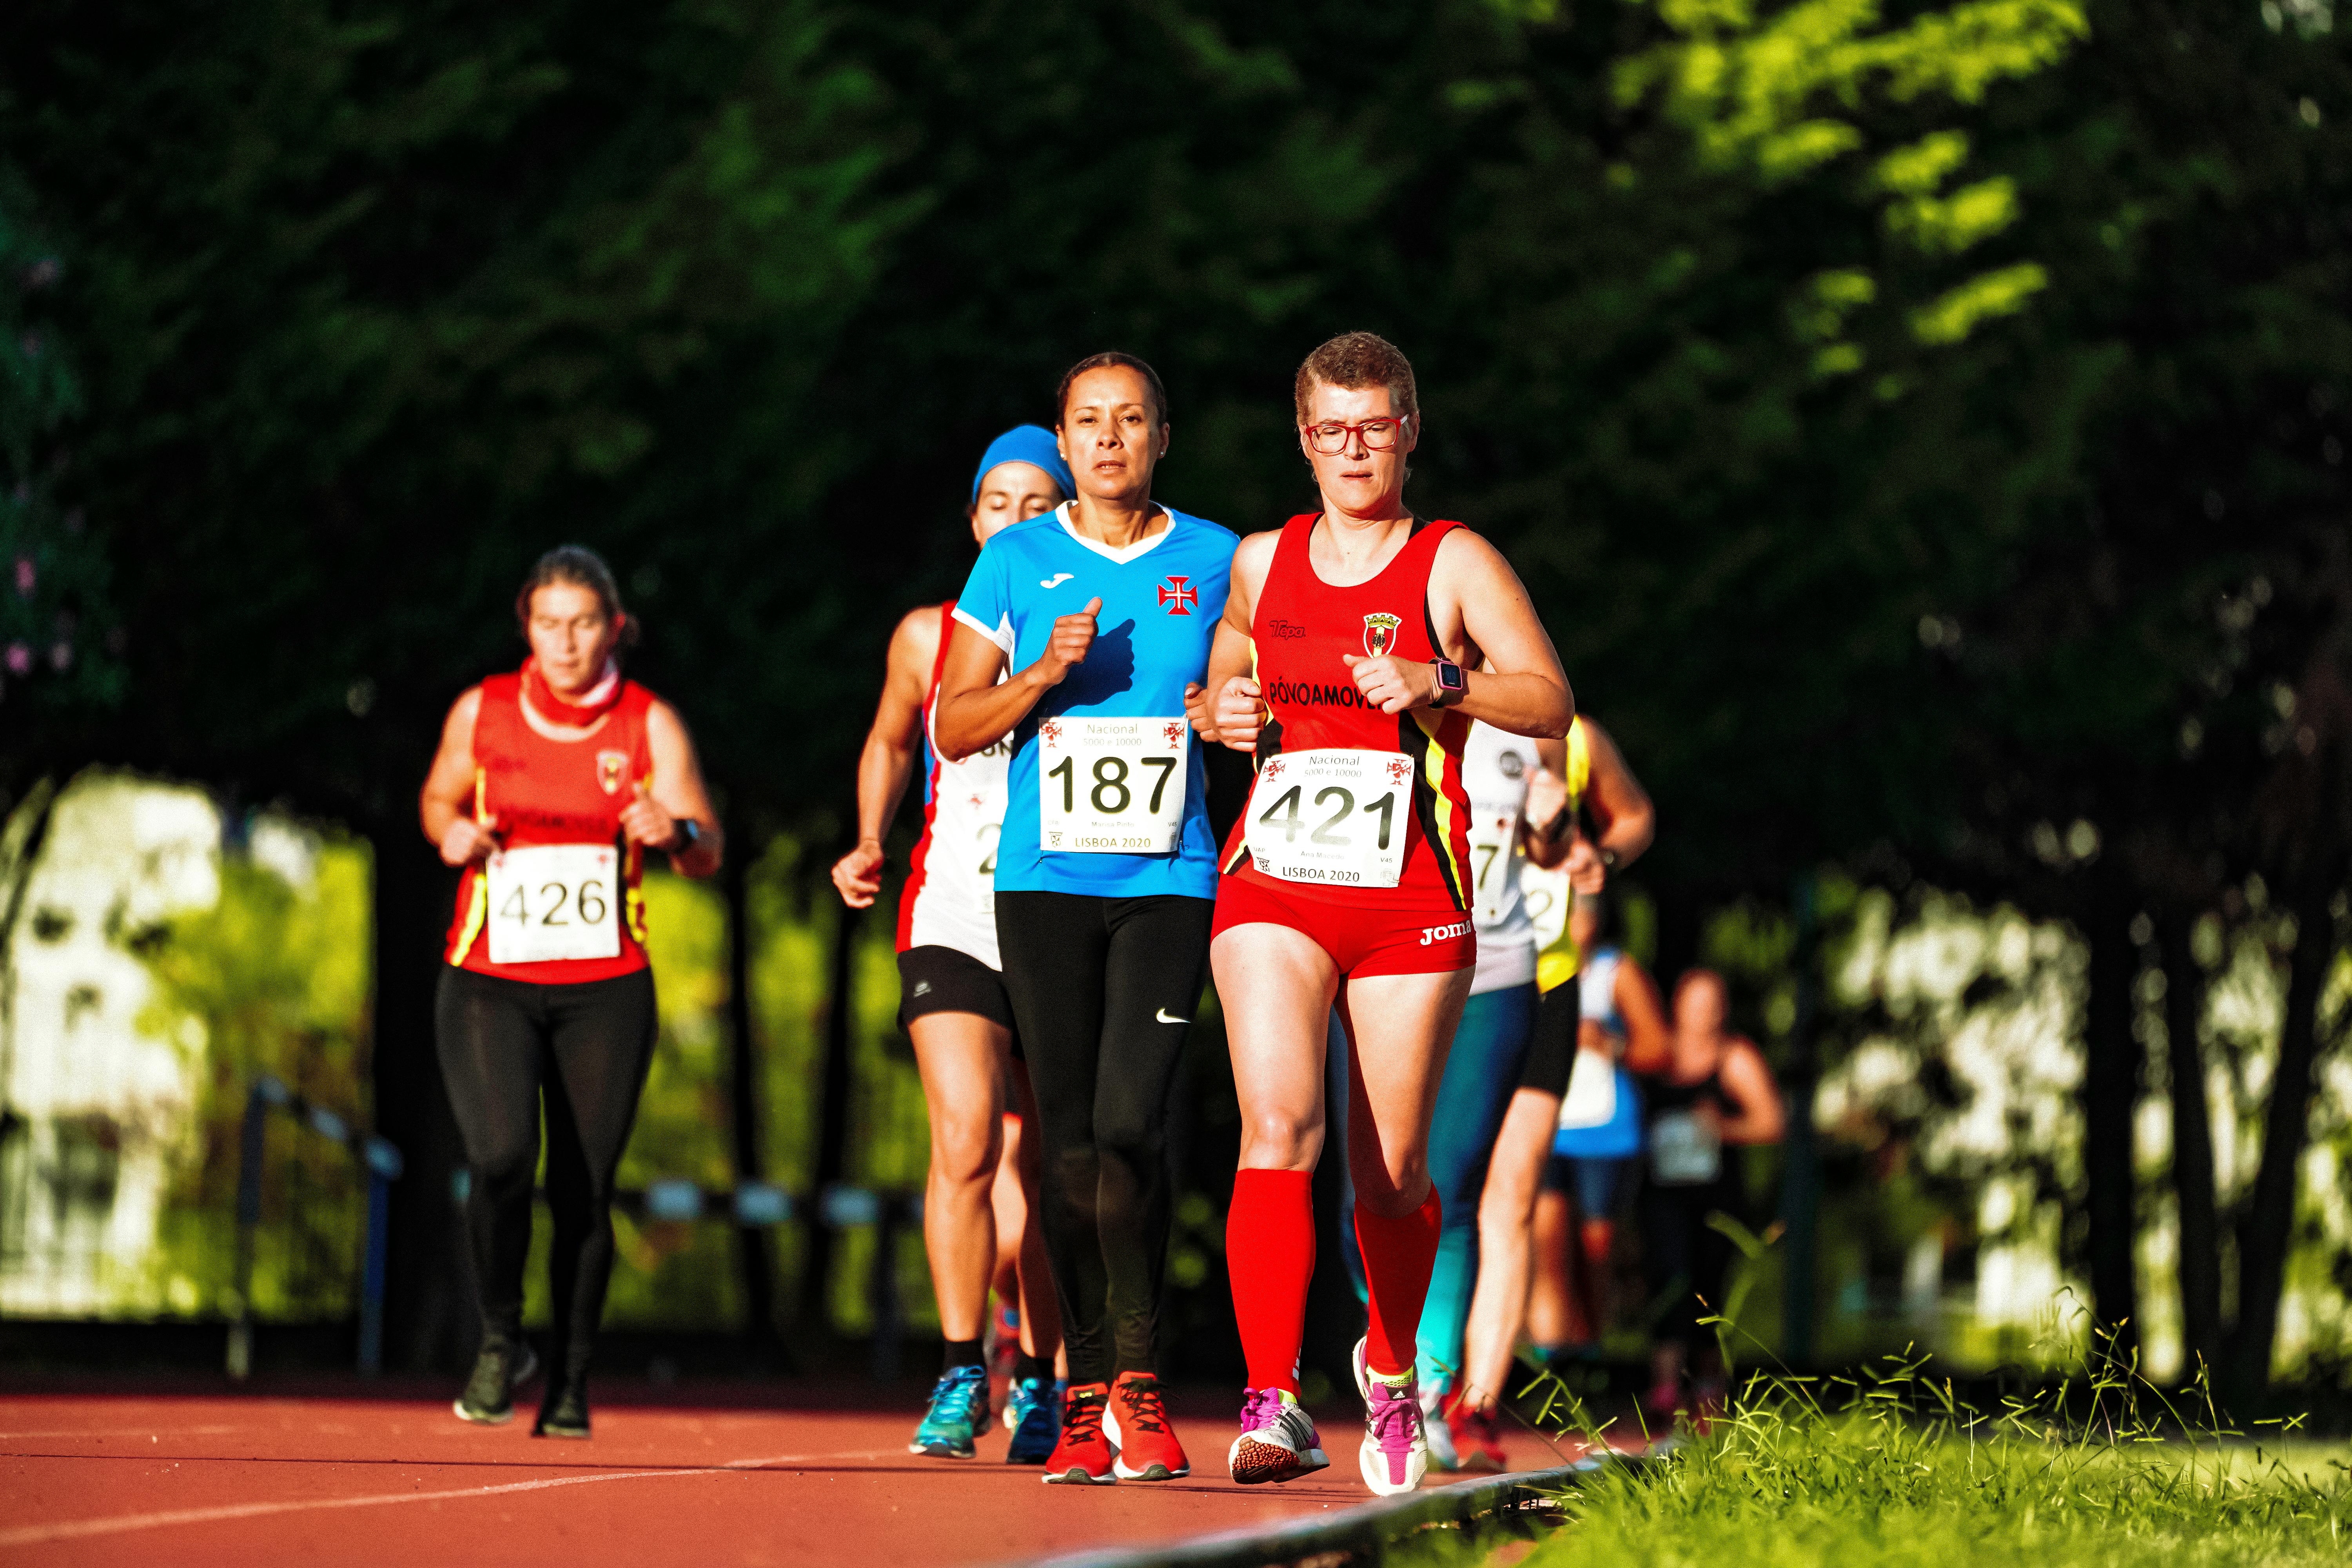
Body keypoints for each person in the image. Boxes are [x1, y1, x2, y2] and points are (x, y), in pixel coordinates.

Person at [1201, 331, 1573, 1495]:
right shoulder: (1263, 558)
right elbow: (1225, 647)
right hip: (1273, 878)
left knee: (1395, 1170)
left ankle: (1389, 1366)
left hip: (1411, 889)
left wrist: (1441, 682)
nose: (1352, 450)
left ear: (1408, 427)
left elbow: (1549, 699)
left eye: (1373, 427)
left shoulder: (1451, 560)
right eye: (1330, 430)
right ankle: (1271, 1398)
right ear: (1302, 440)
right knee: (1277, 1127)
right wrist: (1223, 697)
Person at [933, 353, 1234, 1486]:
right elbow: (957, 724)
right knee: (1064, 1142)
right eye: (1088, 422)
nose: (1110, 438)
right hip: (1043, 881)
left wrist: (1230, 708)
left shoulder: (1219, 558)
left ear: (1164, 435)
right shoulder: (1016, 560)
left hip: (1168, 879)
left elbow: (1255, 686)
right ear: (1062, 442)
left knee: (1130, 1124)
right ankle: (1084, 1394)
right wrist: (1040, 678)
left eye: (1131, 420)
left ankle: (1145, 1387)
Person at [421, 545, 723, 1439]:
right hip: (489, 979)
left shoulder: (647, 723)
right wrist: (451, 834)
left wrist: (678, 829)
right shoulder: (482, 710)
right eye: (549, 624)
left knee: (585, 1187)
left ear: (614, 628)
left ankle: (571, 1379)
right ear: (527, 625)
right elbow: (437, 801)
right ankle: (499, 1335)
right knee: (504, 1156)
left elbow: (707, 851)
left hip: (606, 988)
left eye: (583, 623)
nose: (565, 642)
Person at [830, 427, 1073, 1463]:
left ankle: (1058, 1382)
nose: (1013, 521)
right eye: (995, 504)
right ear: (972, 521)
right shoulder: (927, 637)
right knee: (966, 1139)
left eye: (1036, 504)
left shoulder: (1107, 629)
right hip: (954, 912)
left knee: (1056, 1167)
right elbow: (891, 736)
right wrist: (869, 838)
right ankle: (962, 1367)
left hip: (1067, 915)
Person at [1445, 714, 1654, 1470]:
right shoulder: (1421, 710)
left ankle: (1473, 1406)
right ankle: (1414, 1376)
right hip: (1440, 974)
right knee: (1432, 1186)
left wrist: (1602, 853)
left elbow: (1634, 814)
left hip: (1545, 980)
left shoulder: (1573, 738)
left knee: (1513, 1196)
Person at [1527, 890, 1670, 1366]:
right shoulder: (1531, 967)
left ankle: (1591, 1345)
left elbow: (1658, 1048)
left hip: (1606, 1132)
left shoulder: (1616, 972)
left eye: (1580, 911)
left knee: (1595, 1247)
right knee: (1546, 1240)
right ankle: (1548, 1354)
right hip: (1546, 1123)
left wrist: (1607, 1043)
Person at [1641, 967, 1784, 1416]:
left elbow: (1771, 1122)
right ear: (1676, 1006)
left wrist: (1723, 1127)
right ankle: (1664, 1387)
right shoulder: (1657, 1054)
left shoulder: (1735, 1057)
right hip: (1662, 1194)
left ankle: (1709, 1388)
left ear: (1722, 1011)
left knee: (1708, 1287)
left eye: (1710, 1006)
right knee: (1669, 1279)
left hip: (1715, 1199)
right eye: (1693, 1004)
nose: (1701, 1016)